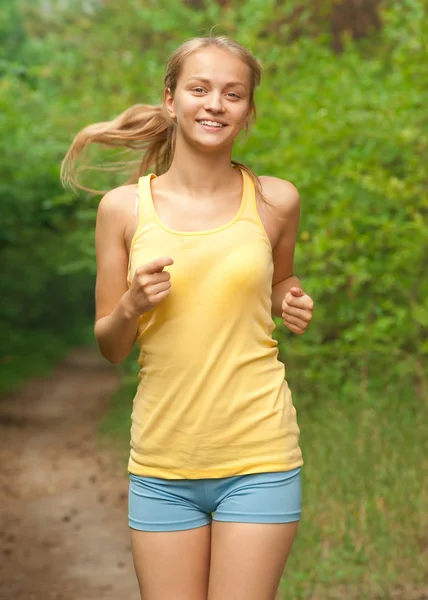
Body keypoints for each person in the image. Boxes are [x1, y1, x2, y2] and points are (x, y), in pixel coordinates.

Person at [61, 35, 314, 600]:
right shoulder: (123, 209)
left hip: (260, 451)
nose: (216, 104)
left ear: (248, 110)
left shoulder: (276, 201)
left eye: (233, 93)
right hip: (163, 460)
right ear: (171, 99)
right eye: (200, 89)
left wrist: (289, 299)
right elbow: (110, 344)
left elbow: (278, 281)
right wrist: (131, 305)